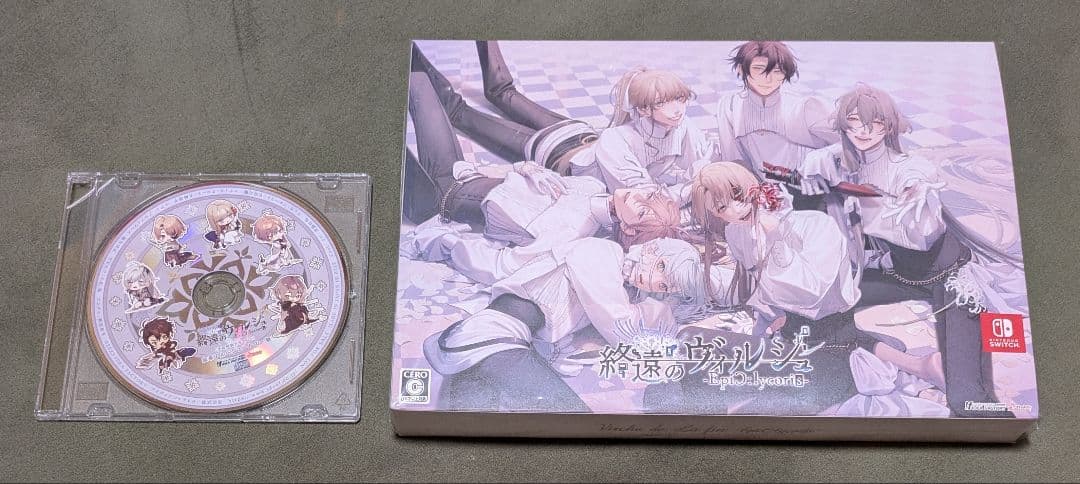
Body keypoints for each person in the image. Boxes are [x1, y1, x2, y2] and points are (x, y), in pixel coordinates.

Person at [798, 83, 1019, 417]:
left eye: (875, 123)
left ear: (889, 126)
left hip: (949, 278)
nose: (864, 131)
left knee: (968, 400)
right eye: (855, 121)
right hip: (892, 272)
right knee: (809, 312)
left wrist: (911, 195)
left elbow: (923, 233)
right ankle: (908, 362)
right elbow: (812, 175)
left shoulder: (909, 168)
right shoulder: (834, 162)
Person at [403, 72, 685, 282]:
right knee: (419, 82)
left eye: (642, 209)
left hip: (446, 194)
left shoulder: (571, 232)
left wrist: (448, 243)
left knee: (417, 83)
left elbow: (501, 266)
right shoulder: (593, 186)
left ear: (629, 229)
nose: (639, 194)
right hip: (468, 179)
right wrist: (526, 168)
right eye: (650, 194)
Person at [421, 236, 732, 412]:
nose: (653, 280)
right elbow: (619, 326)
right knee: (573, 420)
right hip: (491, 338)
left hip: (499, 351)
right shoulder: (601, 252)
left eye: (664, 285)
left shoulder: (625, 291)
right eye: (661, 266)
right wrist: (659, 312)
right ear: (652, 248)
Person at [408, 42, 720, 210]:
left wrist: (701, 181)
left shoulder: (683, 125)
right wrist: (692, 187)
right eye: (667, 102)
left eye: (680, 99)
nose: (678, 109)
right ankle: (407, 52)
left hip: (580, 131)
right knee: (459, 112)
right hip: (554, 151)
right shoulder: (616, 140)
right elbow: (647, 198)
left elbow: (707, 167)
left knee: (503, 93)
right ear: (643, 108)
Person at [715, 41, 839, 210]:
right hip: (760, 194)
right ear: (741, 69)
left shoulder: (805, 107)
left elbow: (849, 143)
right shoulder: (730, 106)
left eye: (777, 71)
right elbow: (733, 159)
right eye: (758, 69)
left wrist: (819, 161)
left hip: (808, 191)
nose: (768, 79)